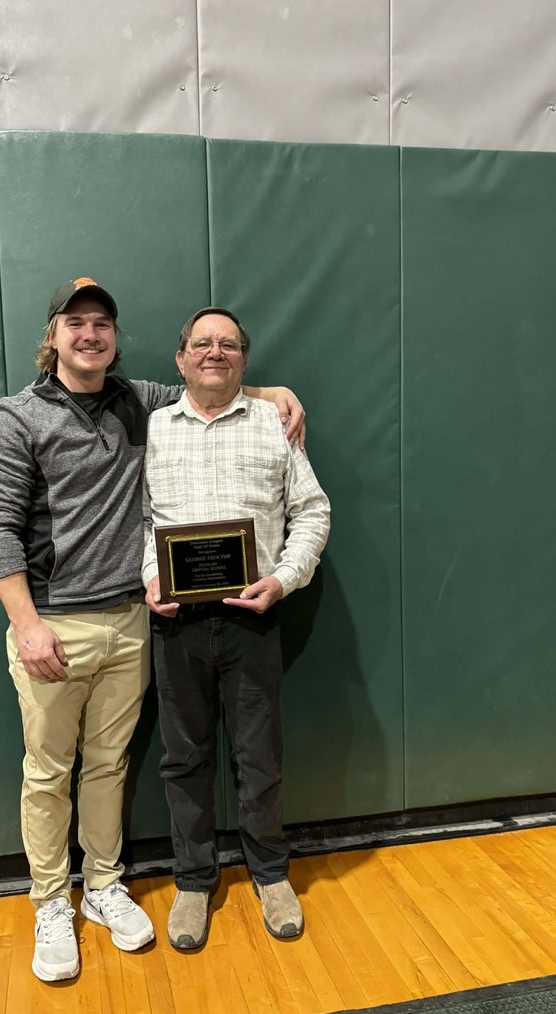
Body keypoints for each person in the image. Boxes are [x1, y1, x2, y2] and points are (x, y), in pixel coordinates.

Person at [0, 277, 305, 982]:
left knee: (108, 767)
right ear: (53, 335)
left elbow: (214, 386)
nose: (89, 335)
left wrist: (277, 394)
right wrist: (26, 625)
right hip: (55, 625)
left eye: (102, 324)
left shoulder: (139, 402)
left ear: (117, 340)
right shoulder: (16, 416)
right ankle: (48, 903)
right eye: (76, 323)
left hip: (132, 619)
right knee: (48, 772)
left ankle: (101, 886)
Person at [142, 306, 330, 950]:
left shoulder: (277, 428)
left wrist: (283, 578)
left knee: (259, 757)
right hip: (177, 624)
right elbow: (141, 521)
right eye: (201, 343)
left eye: (227, 345)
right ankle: (194, 882)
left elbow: (312, 511)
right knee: (183, 759)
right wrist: (150, 577)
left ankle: (270, 873)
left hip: (254, 619)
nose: (213, 352)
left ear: (244, 362)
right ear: (181, 359)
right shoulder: (154, 429)